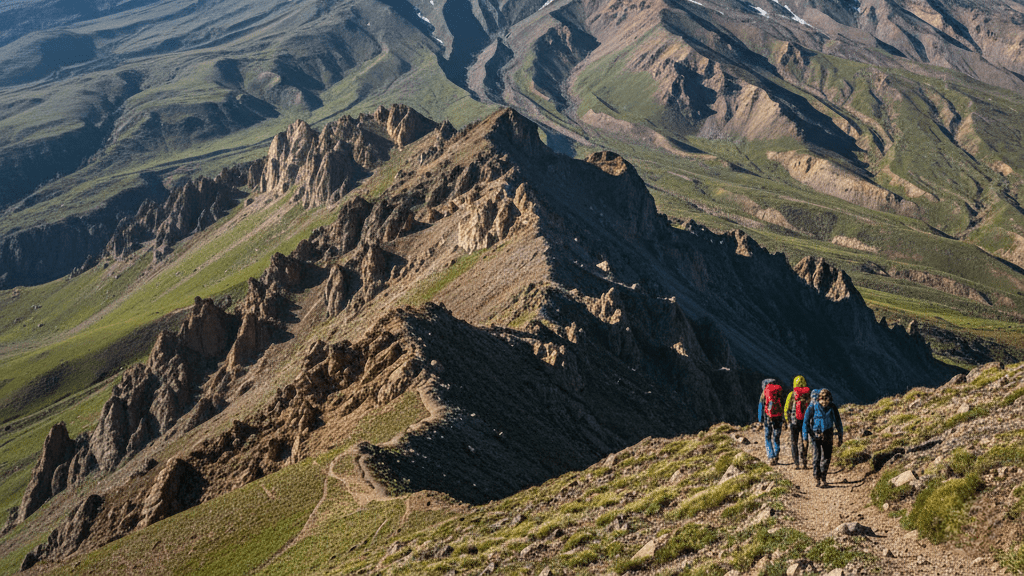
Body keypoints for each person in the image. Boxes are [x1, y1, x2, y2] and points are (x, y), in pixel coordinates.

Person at [803, 388, 843, 487]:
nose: (824, 401)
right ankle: (818, 478)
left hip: (823, 433)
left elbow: (838, 422)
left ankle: (822, 477)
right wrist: (805, 438)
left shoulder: (831, 407)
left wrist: (840, 436)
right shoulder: (813, 406)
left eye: (826, 398)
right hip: (818, 434)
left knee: (826, 457)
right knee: (818, 456)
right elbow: (806, 422)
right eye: (822, 398)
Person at [784, 376, 811, 470]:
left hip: (794, 422)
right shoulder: (808, 395)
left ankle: (796, 463)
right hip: (805, 422)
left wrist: (787, 421)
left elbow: (786, 408)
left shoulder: (791, 395)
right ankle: (804, 461)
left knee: (794, 442)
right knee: (804, 441)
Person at [757, 378, 785, 465]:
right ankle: (776, 455)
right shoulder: (778, 392)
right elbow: (783, 404)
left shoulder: (764, 393)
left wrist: (760, 420)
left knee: (768, 437)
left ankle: (771, 456)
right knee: (776, 437)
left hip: (768, 418)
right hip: (779, 417)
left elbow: (760, 407)